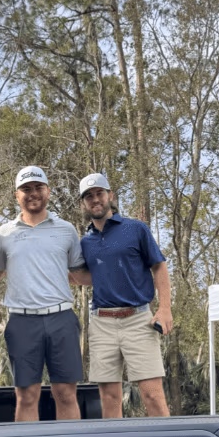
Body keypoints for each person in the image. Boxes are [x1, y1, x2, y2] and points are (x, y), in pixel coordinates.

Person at [0, 165, 87, 423]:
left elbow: (79, 274)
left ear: (48, 192)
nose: (33, 193)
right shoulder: (3, 233)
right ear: (17, 195)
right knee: (26, 396)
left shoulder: (66, 229)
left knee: (66, 394)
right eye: (26, 189)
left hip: (62, 319)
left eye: (38, 187)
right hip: (21, 322)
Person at [72, 172, 173, 418]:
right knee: (109, 399)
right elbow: (89, 277)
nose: (95, 199)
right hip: (102, 323)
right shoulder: (85, 242)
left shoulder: (135, 229)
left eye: (99, 193)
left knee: (152, 395)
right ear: (83, 204)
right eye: (89, 196)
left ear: (110, 196)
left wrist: (165, 309)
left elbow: (159, 266)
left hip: (138, 320)